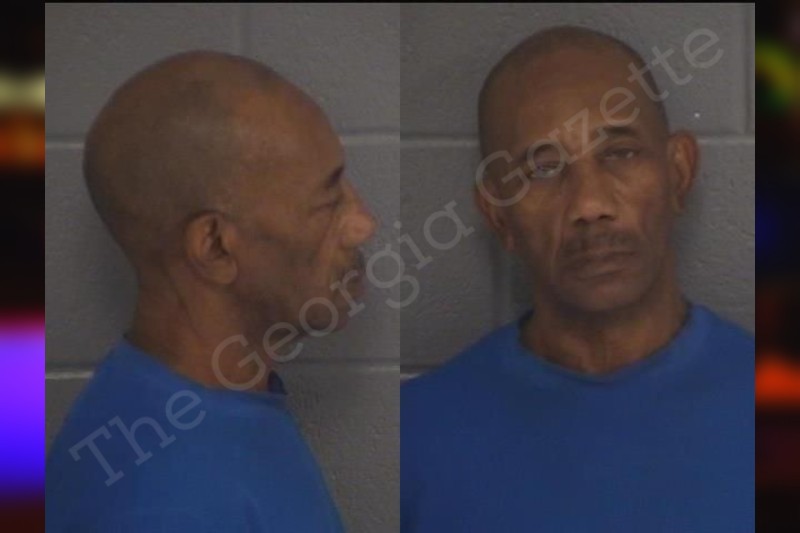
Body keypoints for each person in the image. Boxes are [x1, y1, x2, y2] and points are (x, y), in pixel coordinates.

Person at [402, 26, 753, 532]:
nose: (590, 204)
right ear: (498, 215)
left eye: (620, 152)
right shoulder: (418, 435)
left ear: (678, 173)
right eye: (543, 169)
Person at [46, 50, 376, 532]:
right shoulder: (165, 507)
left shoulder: (220, 403)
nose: (363, 225)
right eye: (328, 202)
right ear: (216, 247)